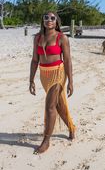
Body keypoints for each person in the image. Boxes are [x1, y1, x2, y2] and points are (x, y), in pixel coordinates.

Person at [29, 11, 76, 154]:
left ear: (57, 21)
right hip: (44, 74)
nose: (49, 20)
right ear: (42, 20)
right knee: (58, 105)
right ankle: (71, 127)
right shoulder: (37, 38)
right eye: (46, 17)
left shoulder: (62, 38)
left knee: (49, 106)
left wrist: (70, 82)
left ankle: (46, 140)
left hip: (58, 73)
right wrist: (31, 80)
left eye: (52, 18)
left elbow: (67, 60)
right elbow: (35, 60)